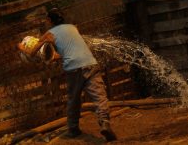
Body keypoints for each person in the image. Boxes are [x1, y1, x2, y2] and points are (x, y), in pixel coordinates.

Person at [18, 8, 117, 141]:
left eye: (46, 20)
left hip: (74, 69)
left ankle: (73, 129)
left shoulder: (49, 34)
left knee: (73, 100)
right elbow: (71, 49)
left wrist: (21, 47)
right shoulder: (73, 28)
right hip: (90, 63)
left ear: (49, 20)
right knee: (100, 96)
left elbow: (32, 53)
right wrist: (53, 57)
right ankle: (104, 122)